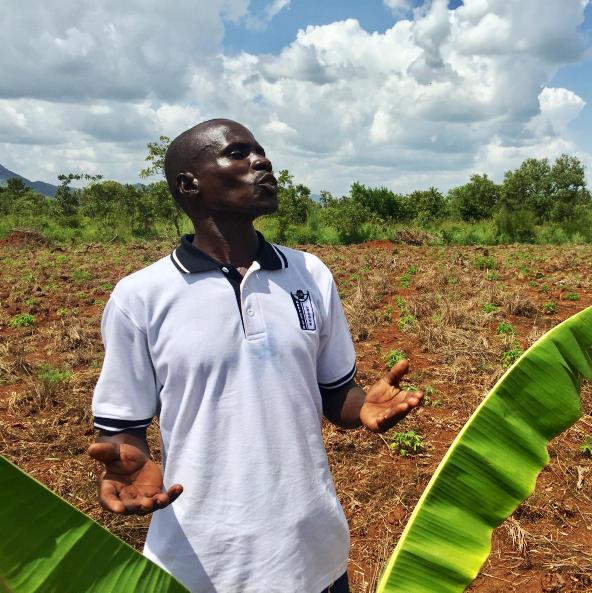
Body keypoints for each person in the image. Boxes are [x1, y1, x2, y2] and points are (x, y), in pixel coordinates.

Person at [87, 118, 422, 593]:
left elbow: (336, 394)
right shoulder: (141, 297)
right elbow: (123, 424)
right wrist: (131, 458)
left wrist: (363, 404)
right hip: (202, 561)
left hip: (314, 554)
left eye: (260, 151)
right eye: (238, 153)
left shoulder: (309, 273)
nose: (261, 161)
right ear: (190, 184)